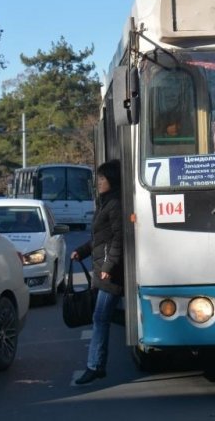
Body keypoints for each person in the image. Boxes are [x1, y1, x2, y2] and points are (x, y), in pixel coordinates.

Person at [72, 159, 123, 385]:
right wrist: (81, 252)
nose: (99, 182)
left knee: (100, 317)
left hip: (110, 272)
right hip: (102, 268)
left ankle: (95, 366)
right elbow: (99, 239)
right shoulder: (104, 203)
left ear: (112, 180)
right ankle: (96, 364)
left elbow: (119, 239)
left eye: (102, 178)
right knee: (102, 316)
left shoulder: (115, 204)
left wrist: (109, 267)